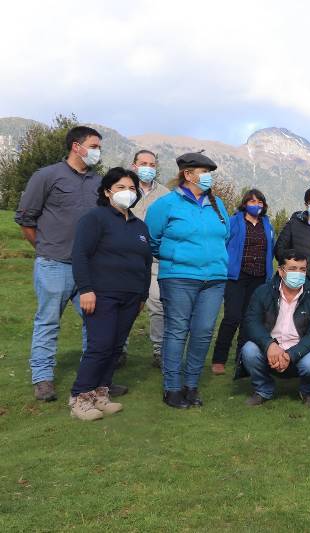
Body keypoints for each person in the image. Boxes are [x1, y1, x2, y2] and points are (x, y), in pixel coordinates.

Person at [14, 126, 101, 401]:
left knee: (95, 323)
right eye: (94, 146)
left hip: (88, 268)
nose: (98, 152)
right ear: (77, 146)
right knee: (48, 322)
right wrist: (44, 248)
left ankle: (93, 379)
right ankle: (42, 378)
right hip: (54, 265)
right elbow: (26, 219)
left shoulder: (98, 182)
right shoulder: (48, 176)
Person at [145, 151, 229, 409]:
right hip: (179, 277)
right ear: (188, 174)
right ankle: (171, 388)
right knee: (177, 331)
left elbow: (224, 236)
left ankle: (191, 385)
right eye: (204, 172)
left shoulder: (218, 204)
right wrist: (177, 258)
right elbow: (152, 240)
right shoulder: (166, 204)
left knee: (203, 332)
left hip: (214, 279)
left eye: (209, 173)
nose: (208, 177)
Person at [68, 168, 152, 420]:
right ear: (107, 191)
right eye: (120, 187)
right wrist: (85, 289)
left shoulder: (140, 226)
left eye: (131, 188)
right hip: (101, 294)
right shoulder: (95, 219)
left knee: (115, 347)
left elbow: (146, 263)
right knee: (100, 345)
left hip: (131, 296)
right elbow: (80, 255)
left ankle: (101, 394)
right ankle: (80, 397)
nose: (127, 192)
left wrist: (142, 297)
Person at [237, 249, 310, 406]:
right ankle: (263, 390)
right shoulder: (262, 292)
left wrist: (291, 355)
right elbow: (251, 322)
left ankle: (308, 392)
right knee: (249, 350)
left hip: (300, 350)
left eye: (302, 269)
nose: (298, 274)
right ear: (281, 271)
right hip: (270, 348)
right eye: (292, 269)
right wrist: (269, 345)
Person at [210, 189, 275, 376]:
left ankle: (242, 357)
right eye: (252, 201)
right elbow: (222, 244)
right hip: (237, 277)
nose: (257, 204)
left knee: (250, 320)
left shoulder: (267, 224)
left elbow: (271, 248)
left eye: (260, 201)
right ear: (245, 203)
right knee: (232, 317)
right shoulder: (234, 221)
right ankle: (219, 359)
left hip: (259, 278)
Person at [129, 149, 170, 367]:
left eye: (152, 164)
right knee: (125, 304)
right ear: (134, 165)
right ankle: (119, 348)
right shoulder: (124, 189)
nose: (148, 168)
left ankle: (159, 350)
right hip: (125, 259)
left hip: (154, 260)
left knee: (157, 304)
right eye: (143, 163)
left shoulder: (165, 194)